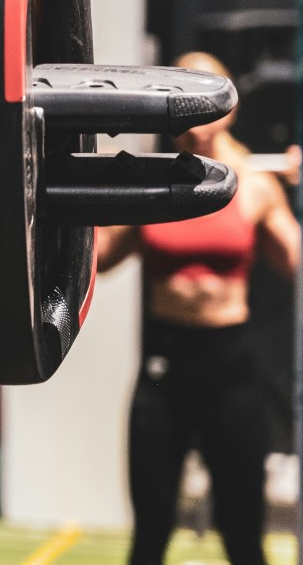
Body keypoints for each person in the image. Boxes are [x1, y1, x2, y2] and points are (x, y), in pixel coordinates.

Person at [98, 51, 300, 565]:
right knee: (150, 532)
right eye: (176, 104)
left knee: (243, 534)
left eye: (199, 103)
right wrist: (77, 190)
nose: (190, 119)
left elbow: (295, 263)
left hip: (230, 367)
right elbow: (98, 259)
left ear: (227, 108)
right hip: (165, 366)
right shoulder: (148, 183)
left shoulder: (255, 184)